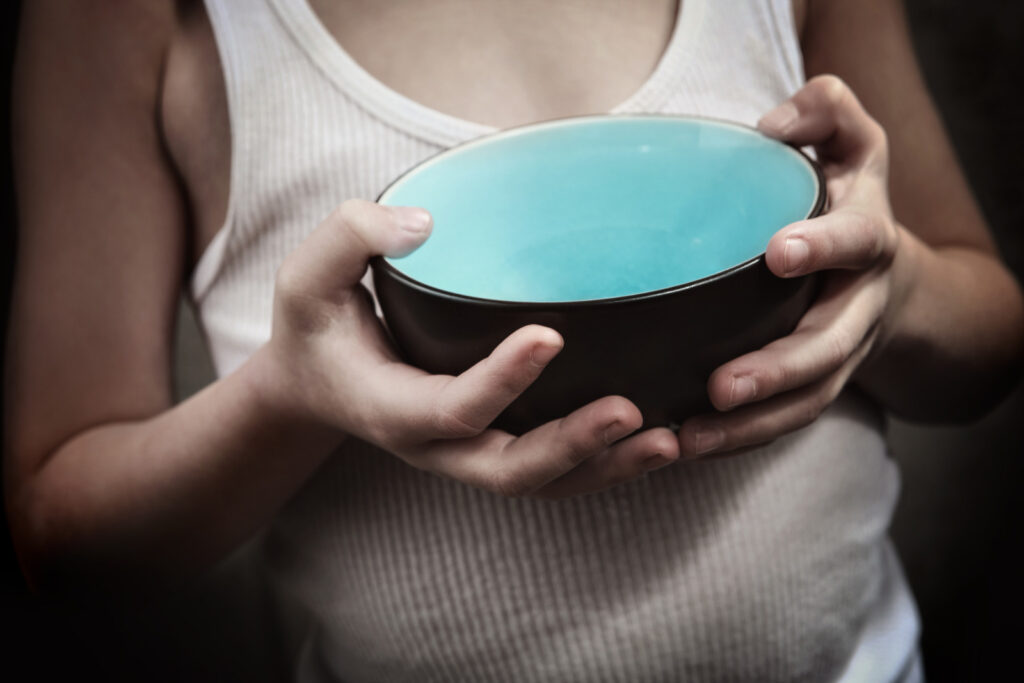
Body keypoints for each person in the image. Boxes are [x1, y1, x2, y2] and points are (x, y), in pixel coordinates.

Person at [6, 0, 1022, 681]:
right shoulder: (125, 24)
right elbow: (63, 531)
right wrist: (288, 394)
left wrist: (893, 290)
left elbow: (985, 334)